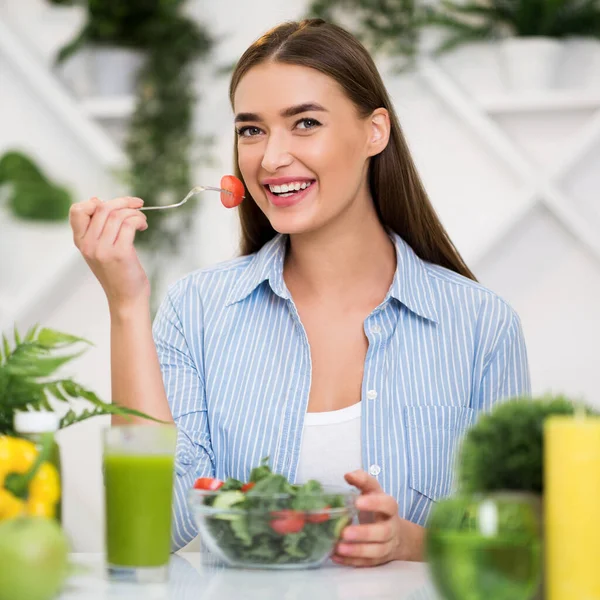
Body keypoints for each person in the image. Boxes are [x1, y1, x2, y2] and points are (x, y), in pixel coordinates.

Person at [69, 19, 530, 566]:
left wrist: (408, 542)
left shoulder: (480, 324)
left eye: (305, 122)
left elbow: (512, 549)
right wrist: (126, 305)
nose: (270, 158)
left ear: (373, 132)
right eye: (251, 130)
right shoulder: (196, 311)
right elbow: (149, 528)